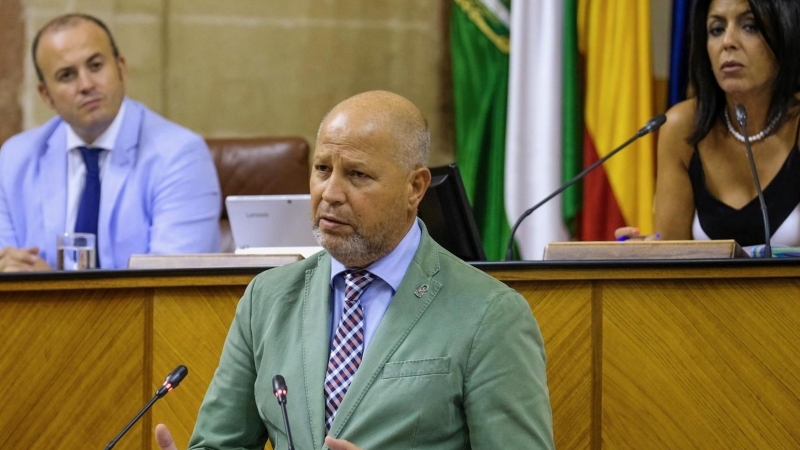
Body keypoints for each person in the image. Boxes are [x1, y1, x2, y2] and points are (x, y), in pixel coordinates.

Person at [154, 91, 554, 450]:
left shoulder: (491, 313)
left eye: (357, 175)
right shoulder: (268, 298)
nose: (330, 193)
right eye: (322, 169)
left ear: (415, 188)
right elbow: (220, 443)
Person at [0, 14, 220, 271]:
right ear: (46, 95)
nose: (86, 84)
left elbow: (168, 291)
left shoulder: (180, 155)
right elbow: (5, 267)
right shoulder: (15, 158)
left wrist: (50, 288)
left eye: (95, 66)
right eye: (67, 75)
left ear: (121, 68)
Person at [616, 0, 800, 250]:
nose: (728, 42)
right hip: (702, 291)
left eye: (750, 26)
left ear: (784, 33)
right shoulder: (683, 128)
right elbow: (671, 256)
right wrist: (644, 251)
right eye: (716, 29)